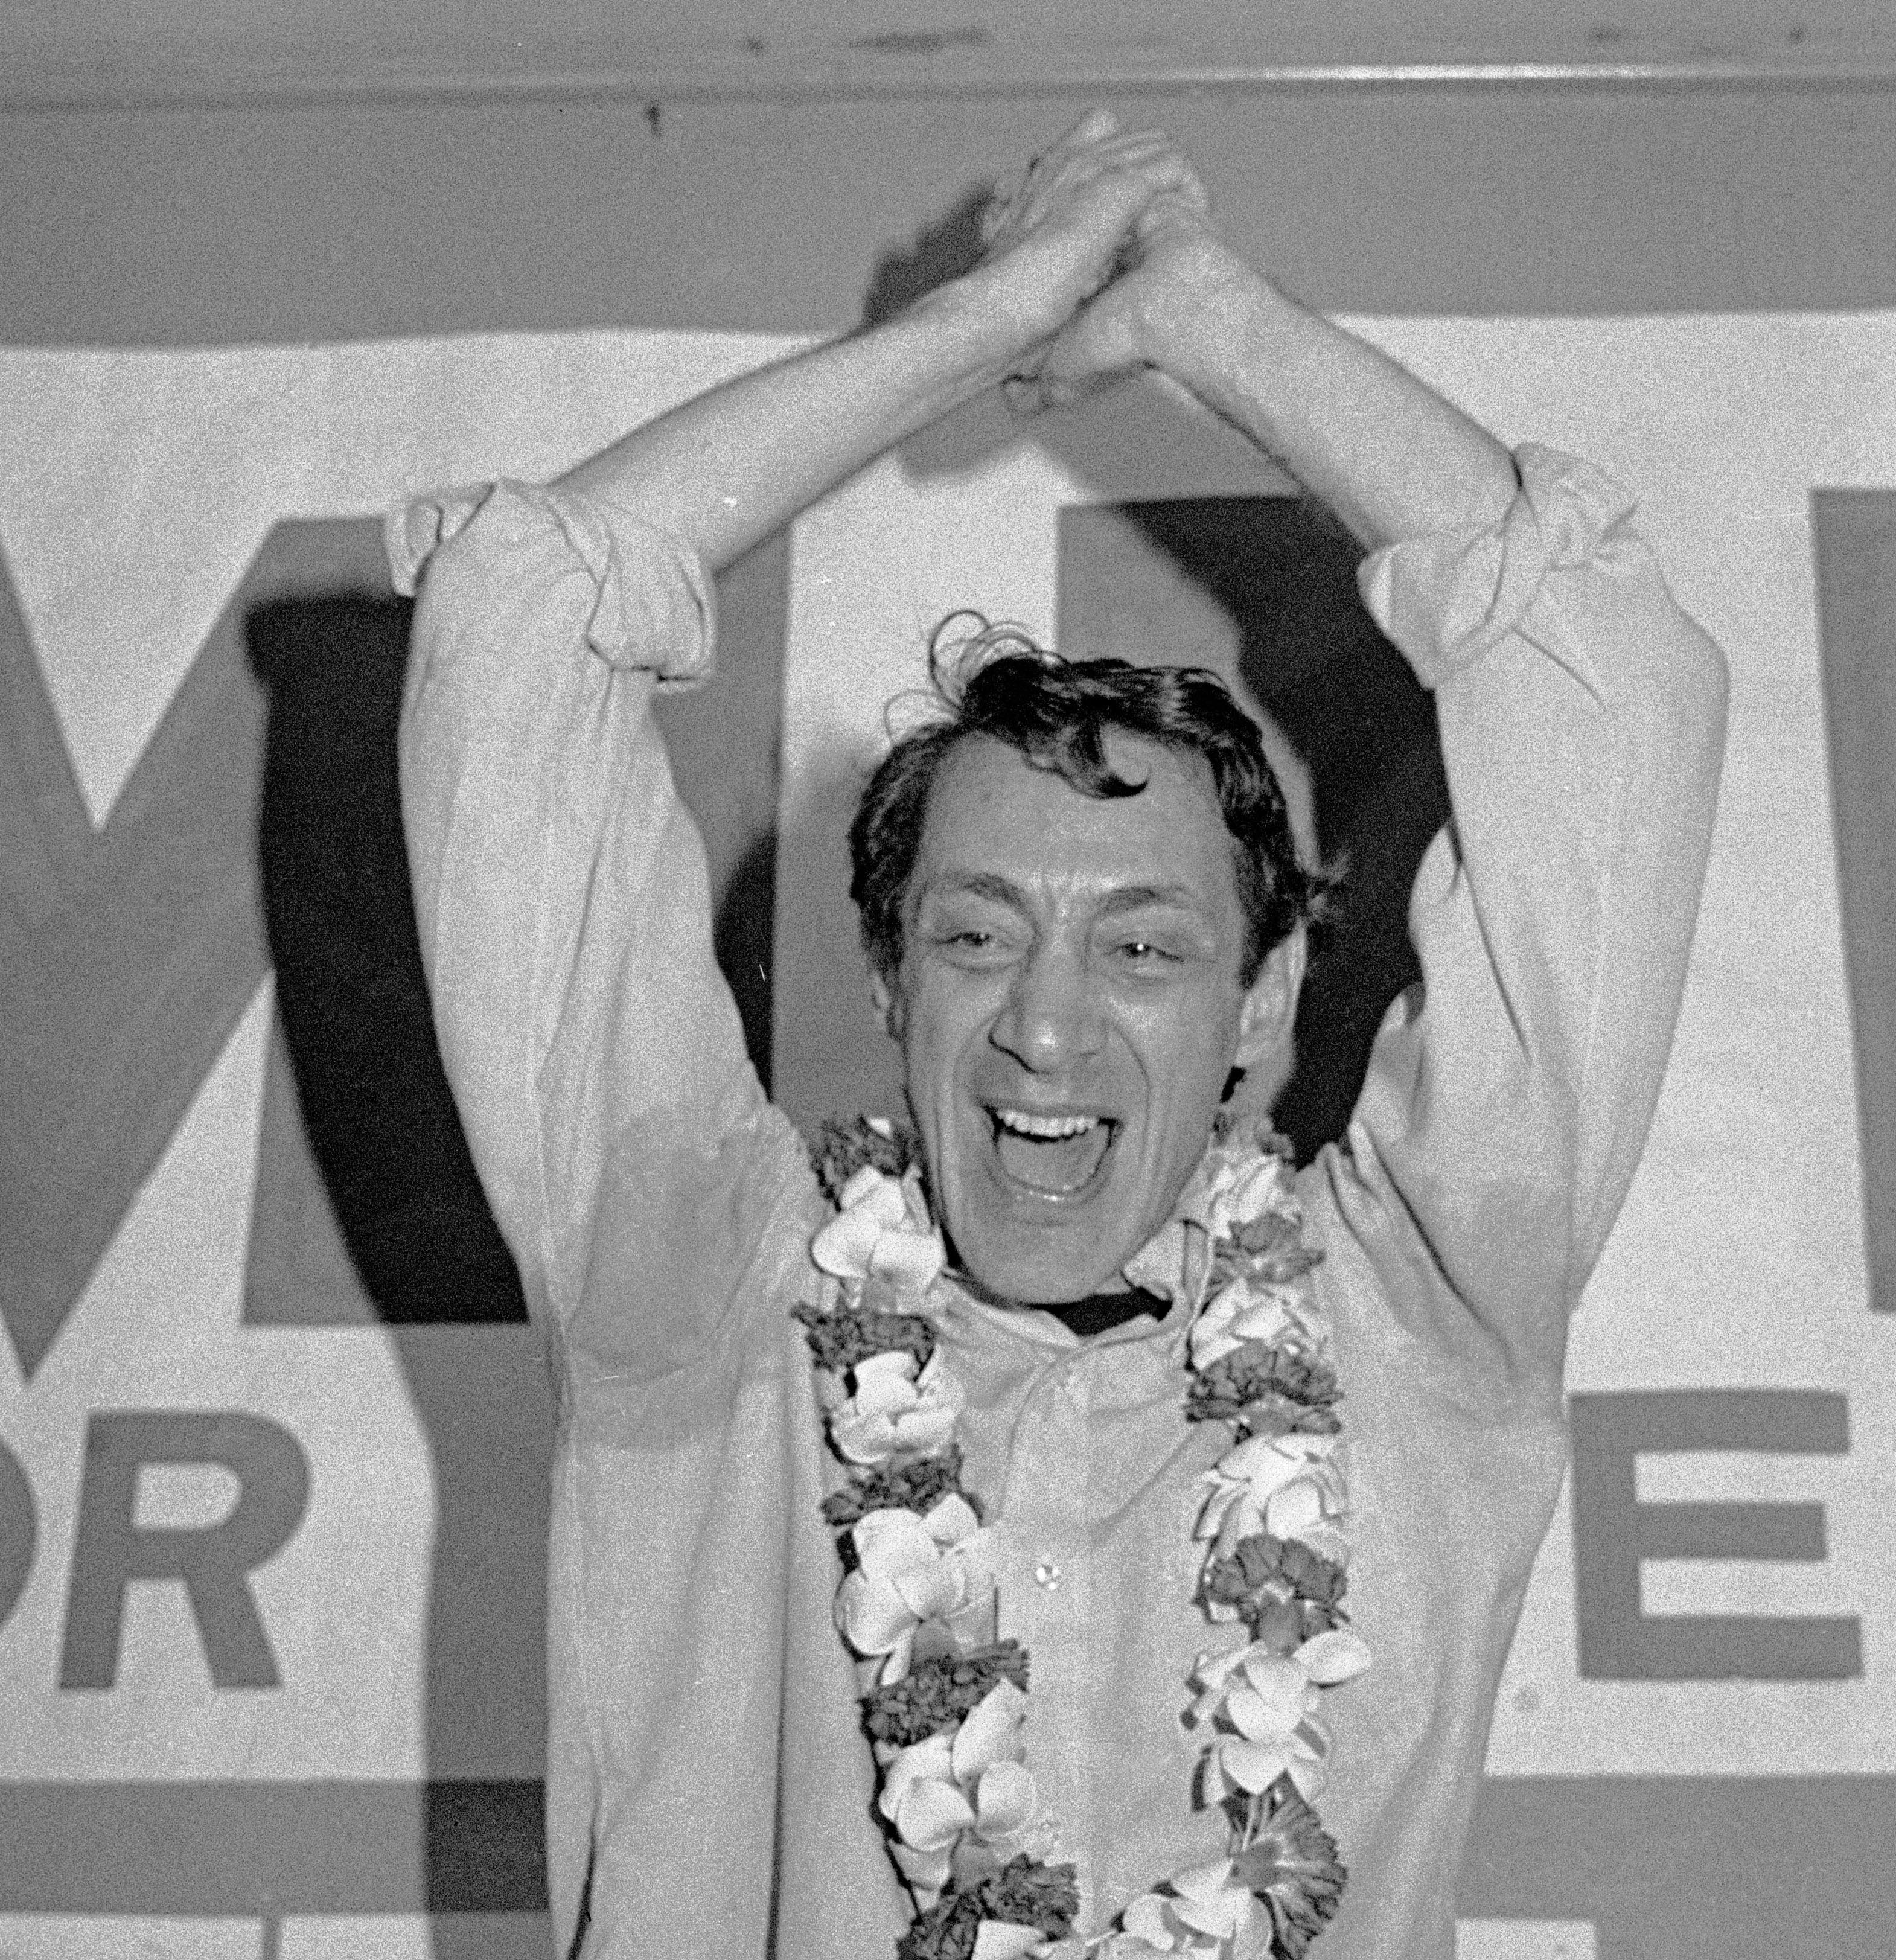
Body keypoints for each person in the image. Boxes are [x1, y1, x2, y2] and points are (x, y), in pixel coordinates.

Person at [389, 113, 1727, 1959]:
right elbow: (518, 620)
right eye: (974, 932)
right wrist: (981, 323)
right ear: (887, 980)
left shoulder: (1417, 1323)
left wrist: (1211, 325)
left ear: (1260, 999)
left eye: (1144, 945)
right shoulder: (702, 1298)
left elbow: (1608, 674)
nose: (1043, 1022)